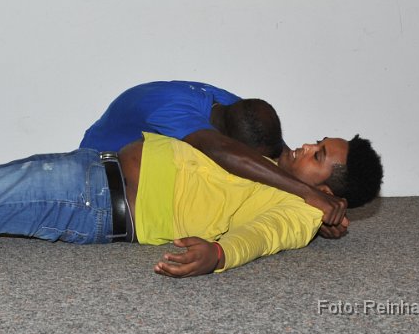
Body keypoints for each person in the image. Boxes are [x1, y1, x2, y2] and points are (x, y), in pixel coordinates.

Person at [0, 130, 383, 277]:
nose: (306, 146)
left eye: (319, 156)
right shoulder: (279, 174)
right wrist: (304, 184)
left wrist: (218, 254)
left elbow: (260, 238)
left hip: (97, 202)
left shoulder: (298, 210)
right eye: (317, 142)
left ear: (332, 191)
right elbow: (208, 141)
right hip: (93, 171)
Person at [81, 81, 350, 235]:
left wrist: (314, 213)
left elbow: (272, 151)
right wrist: (307, 194)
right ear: (232, 144)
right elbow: (222, 152)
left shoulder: (236, 110)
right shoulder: (174, 111)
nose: (307, 146)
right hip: (96, 176)